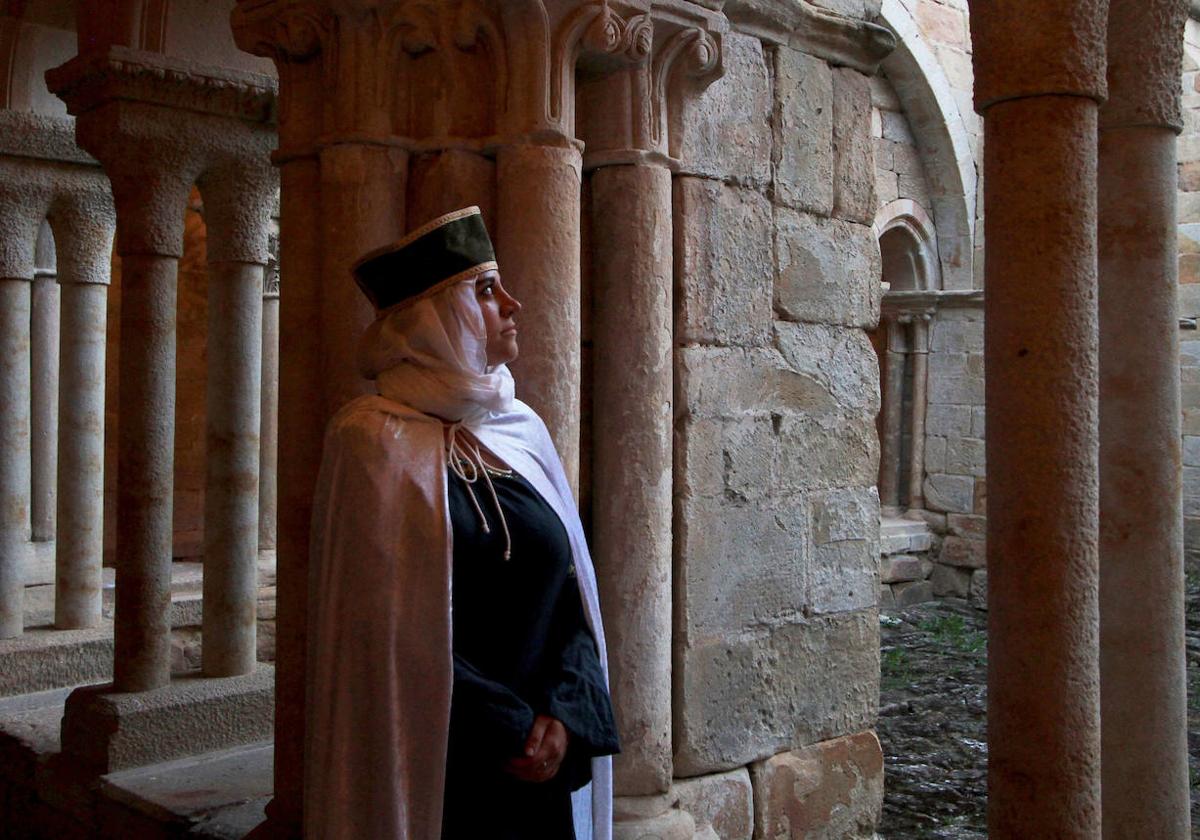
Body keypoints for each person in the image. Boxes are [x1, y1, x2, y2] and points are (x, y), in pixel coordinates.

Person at [304, 206, 619, 840]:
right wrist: (509, 728)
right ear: (433, 319)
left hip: (541, 761)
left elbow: (570, 598)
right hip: (440, 762)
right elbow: (382, 630)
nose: (513, 303)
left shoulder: (519, 429)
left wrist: (563, 714)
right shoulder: (371, 440)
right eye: (484, 289)